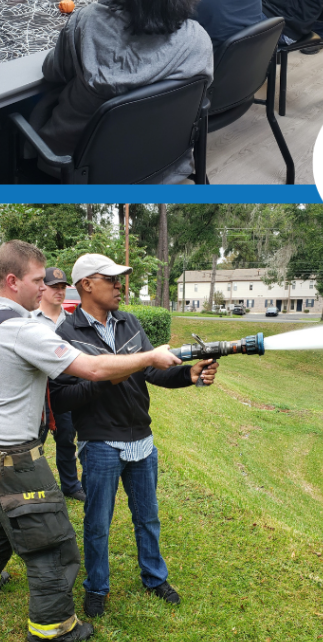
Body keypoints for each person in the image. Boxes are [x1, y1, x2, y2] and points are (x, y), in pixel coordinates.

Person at [0, 240, 182, 642]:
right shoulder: (26, 329)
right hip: (13, 458)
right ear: (12, 281)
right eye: (38, 280)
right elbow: (92, 368)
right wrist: (149, 356)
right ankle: (54, 627)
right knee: (53, 543)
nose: (45, 289)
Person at [48, 254, 217, 619]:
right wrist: (106, 378)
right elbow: (60, 397)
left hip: (142, 440)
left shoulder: (129, 322)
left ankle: (154, 579)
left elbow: (152, 371)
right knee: (97, 524)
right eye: (111, 280)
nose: (120, 287)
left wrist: (189, 375)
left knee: (148, 517)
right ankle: (96, 587)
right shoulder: (66, 334)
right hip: (100, 443)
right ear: (87, 284)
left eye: (119, 280)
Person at [35, 0, 214, 182]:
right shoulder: (199, 39)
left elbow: (54, 72)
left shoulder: (87, 22)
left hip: (81, 165)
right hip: (164, 161)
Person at [30, 266, 84, 501]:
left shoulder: (72, 322)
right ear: (43, 288)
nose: (59, 292)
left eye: (63, 287)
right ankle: (31, 487)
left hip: (63, 390)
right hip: (36, 390)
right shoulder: (29, 320)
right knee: (32, 442)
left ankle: (70, 486)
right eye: (54, 287)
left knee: (66, 439)